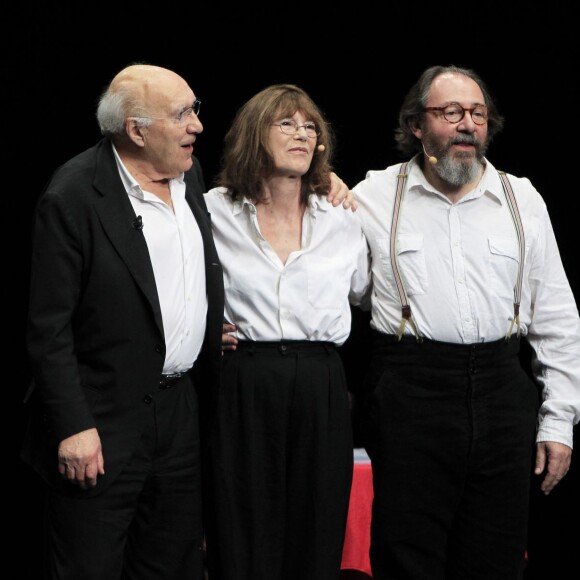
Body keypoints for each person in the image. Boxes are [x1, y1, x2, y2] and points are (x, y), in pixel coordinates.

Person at [20, 63, 353, 580]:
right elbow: (48, 328)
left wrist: (205, 322)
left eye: (196, 110)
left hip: (181, 416)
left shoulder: (187, 177)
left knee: (172, 561)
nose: (198, 125)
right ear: (137, 129)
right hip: (104, 421)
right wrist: (73, 427)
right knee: (90, 563)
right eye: (183, 114)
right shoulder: (75, 194)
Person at [352, 64, 580, 580]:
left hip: (502, 390)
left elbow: (557, 316)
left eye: (478, 113)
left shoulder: (521, 199)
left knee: (496, 558)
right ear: (416, 125)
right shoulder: (371, 196)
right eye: (451, 112)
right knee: (405, 554)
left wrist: (559, 420)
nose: (467, 125)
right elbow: (329, 279)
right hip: (410, 389)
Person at [203, 83, 371, 580]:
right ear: (256, 134)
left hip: (320, 378)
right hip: (244, 376)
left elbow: (364, 292)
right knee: (241, 526)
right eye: (286, 124)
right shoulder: (212, 210)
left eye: (310, 126)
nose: (302, 134)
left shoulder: (343, 218)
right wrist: (201, 330)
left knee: (316, 526)